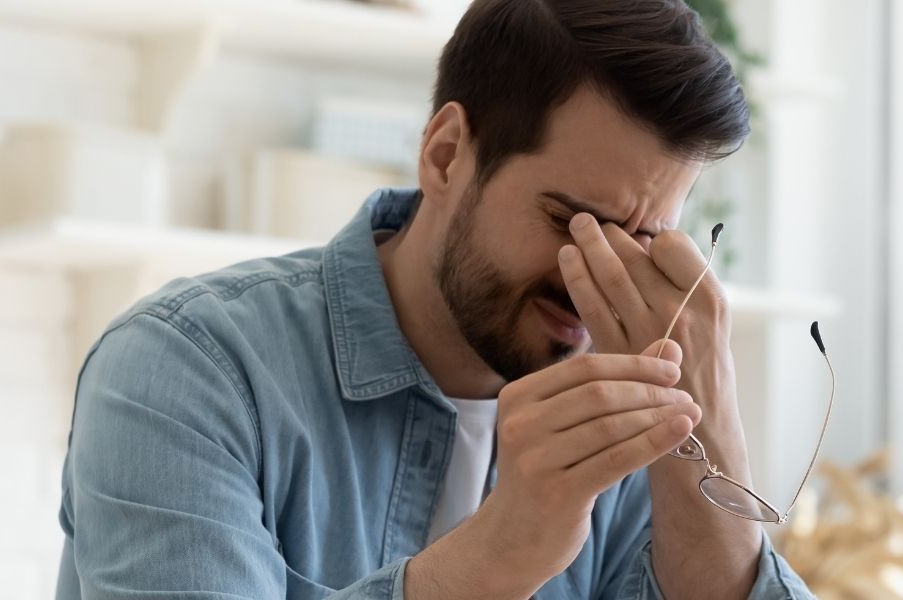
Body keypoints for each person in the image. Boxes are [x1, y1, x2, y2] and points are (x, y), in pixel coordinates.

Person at [55, 0, 815, 598]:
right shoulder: (185, 370)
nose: (597, 279)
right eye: (570, 221)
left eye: (644, 242)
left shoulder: (640, 437)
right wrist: (497, 557)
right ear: (445, 154)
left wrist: (713, 436)